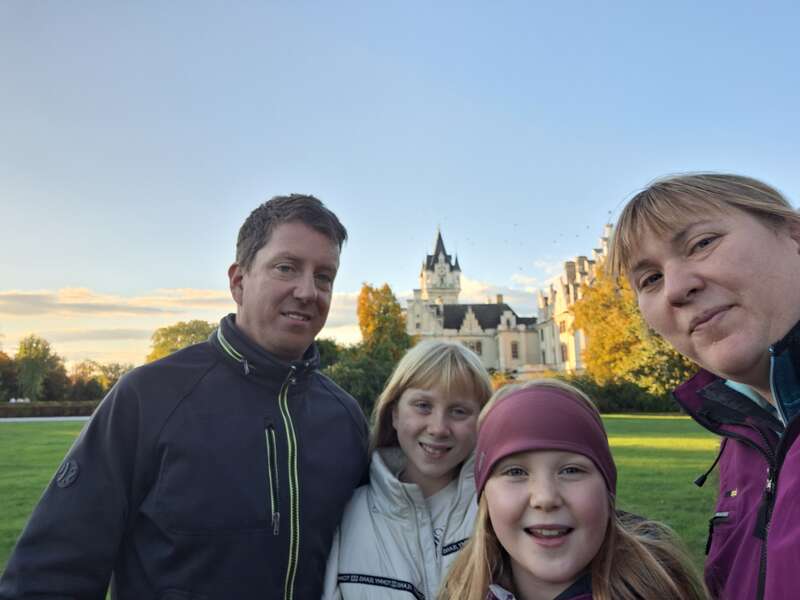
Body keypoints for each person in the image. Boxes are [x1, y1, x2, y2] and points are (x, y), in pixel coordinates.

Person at [0, 194, 369, 599]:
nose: (308, 291)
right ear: (239, 281)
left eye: (324, 277)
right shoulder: (148, 398)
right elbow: (48, 576)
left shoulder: (344, 419)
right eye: (286, 267)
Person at [607, 173, 800, 599]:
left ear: (794, 236)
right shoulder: (746, 440)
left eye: (701, 243)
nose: (676, 289)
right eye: (650, 279)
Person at [439, 380, 707, 600]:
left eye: (571, 470)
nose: (545, 498)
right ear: (484, 495)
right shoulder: (460, 591)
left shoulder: (659, 591)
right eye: (515, 472)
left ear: (607, 488)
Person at [321, 340, 493, 600]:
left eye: (459, 411)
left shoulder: (496, 512)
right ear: (395, 414)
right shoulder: (347, 514)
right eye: (423, 406)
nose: (438, 428)